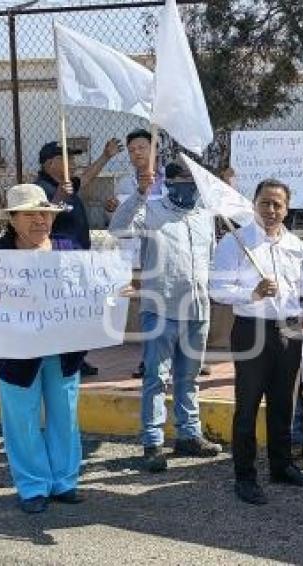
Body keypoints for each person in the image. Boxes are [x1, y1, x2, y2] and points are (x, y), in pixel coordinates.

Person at [0, 184, 90, 513]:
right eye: (30, 214)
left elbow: (93, 292)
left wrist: (117, 294)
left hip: (63, 351)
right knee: (21, 419)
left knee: (66, 414)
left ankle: (65, 481)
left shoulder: (68, 249)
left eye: (44, 213)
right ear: (13, 219)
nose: (39, 220)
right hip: (15, 353)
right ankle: (32, 486)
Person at [210, 178, 303, 505]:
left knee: (284, 402)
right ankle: (244, 476)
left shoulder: (296, 245)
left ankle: (281, 465)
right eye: (265, 203)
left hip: (288, 331)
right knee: (247, 405)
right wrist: (252, 292)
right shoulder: (235, 242)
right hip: (251, 329)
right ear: (254, 205)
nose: (271, 210)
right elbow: (217, 289)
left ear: (287, 209)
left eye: (278, 205)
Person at [109, 162, 222, 473]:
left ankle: (189, 434)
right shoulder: (151, 210)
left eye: (192, 179)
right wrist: (140, 193)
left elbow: (209, 258)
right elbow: (117, 228)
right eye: (181, 179)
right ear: (169, 182)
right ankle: (153, 442)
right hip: (160, 308)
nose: (188, 185)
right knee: (156, 378)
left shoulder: (204, 215)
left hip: (198, 308)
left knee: (189, 377)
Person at [37, 138, 122, 378]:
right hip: (58, 263)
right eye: (68, 159)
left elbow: (87, 177)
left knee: (78, 312)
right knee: (64, 313)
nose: (73, 163)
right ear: (51, 163)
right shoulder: (42, 187)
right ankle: (64, 359)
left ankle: (76, 357)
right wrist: (58, 199)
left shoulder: (66, 185)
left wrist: (106, 156)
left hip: (78, 260)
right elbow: (41, 221)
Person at [103, 129, 164, 381]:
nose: (136, 153)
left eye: (141, 148)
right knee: (147, 306)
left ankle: (180, 358)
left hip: (163, 251)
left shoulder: (169, 180)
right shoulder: (126, 184)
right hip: (135, 254)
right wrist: (111, 210)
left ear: (154, 149)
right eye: (131, 150)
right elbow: (118, 224)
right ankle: (147, 360)